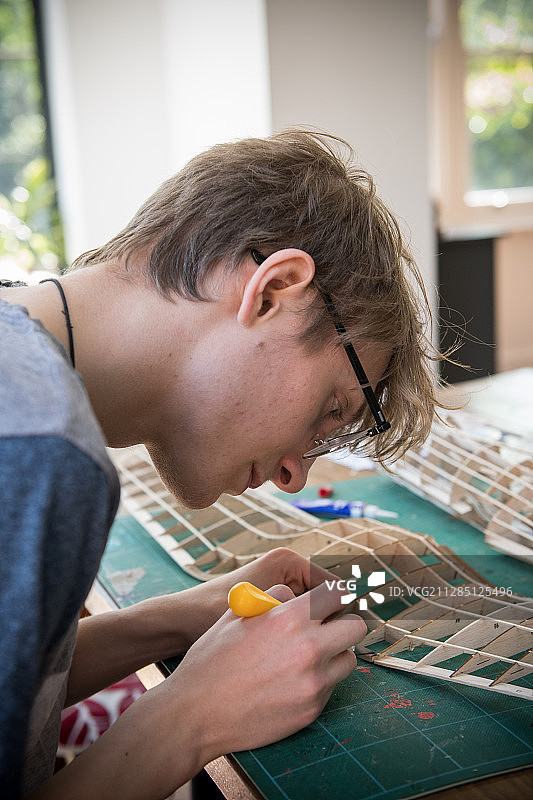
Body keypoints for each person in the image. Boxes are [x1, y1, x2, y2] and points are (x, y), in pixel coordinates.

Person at [0, 130, 442, 799]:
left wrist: (175, 618)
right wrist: (191, 716)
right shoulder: (40, 453)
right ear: (274, 291)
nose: (296, 474)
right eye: (329, 407)